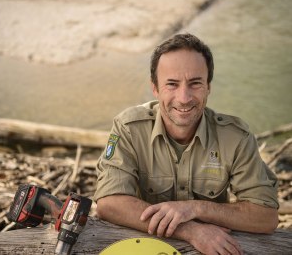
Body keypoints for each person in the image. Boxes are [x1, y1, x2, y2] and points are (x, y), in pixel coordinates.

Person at [94, 33, 279, 255]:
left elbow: (266, 217)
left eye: (195, 83)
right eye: (172, 84)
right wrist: (190, 230)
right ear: (155, 88)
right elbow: (108, 203)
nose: (184, 97)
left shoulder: (235, 137)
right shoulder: (129, 128)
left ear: (208, 86)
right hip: (143, 245)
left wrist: (194, 208)